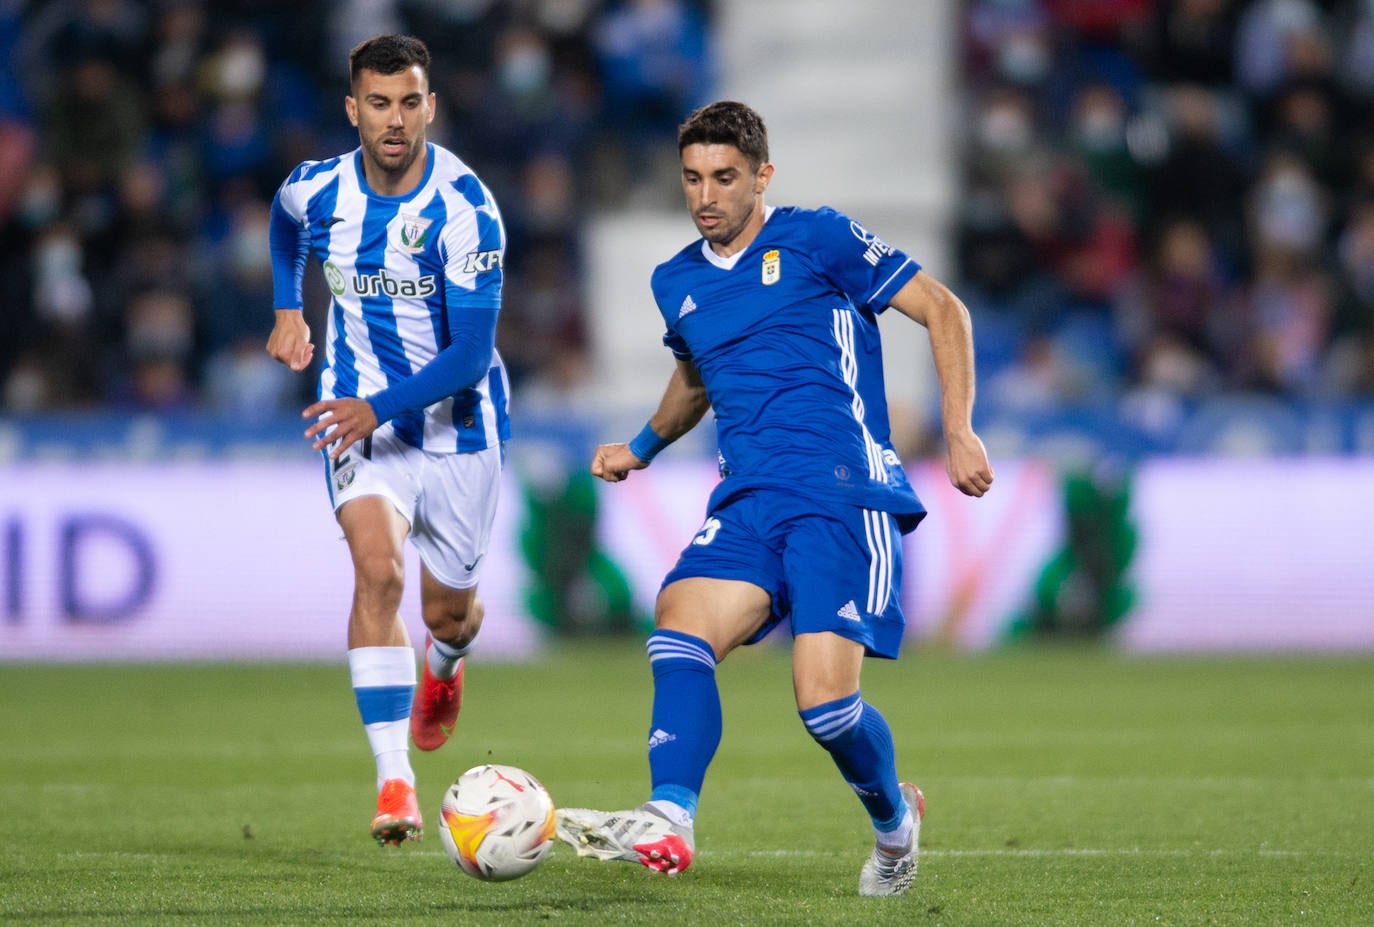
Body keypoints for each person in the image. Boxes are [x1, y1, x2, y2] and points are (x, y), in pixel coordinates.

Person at [555, 101, 994, 896]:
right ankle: (669, 814)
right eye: (691, 179)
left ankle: (896, 824)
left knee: (825, 708)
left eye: (723, 177)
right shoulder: (676, 281)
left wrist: (959, 429)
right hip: (749, 497)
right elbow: (695, 379)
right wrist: (641, 447)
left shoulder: (817, 237)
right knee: (679, 627)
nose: (705, 196)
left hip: (841, 491)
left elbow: (943, 308)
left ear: (762, 176)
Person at [265, 34, 510, 846]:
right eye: (379, 103)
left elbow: (471, 356)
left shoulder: (467, 209)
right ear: (353, 109)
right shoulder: (319, 187)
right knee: (377, 571)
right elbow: (283, 219)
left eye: (409, 102)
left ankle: (444, 664)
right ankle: (394, 779)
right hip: (356, 418)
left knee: (453, 614)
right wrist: (287, 305)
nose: (395, 120)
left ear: (429, 106)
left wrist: (379, 404)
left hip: (457, 428)